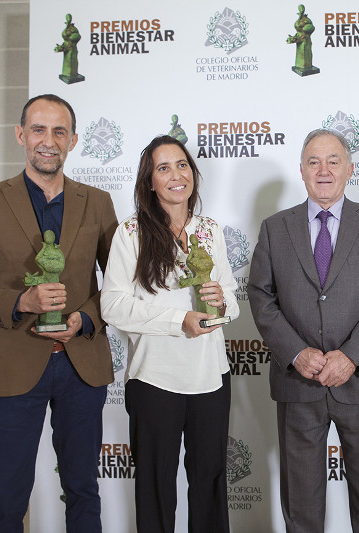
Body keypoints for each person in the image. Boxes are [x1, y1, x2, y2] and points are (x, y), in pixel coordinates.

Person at [0, 94, 118, 533]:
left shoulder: (97, 202)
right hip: (12, 366)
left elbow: (119, 285)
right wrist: (19, 302)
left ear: (73, 140)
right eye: (38, 130)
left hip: (82, 365)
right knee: (4, 496)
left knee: (83, 489)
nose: (48, 141)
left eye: (59, 131)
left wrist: (86, 319)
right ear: (21, 135)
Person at [248, 129, 359, 533]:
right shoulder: (274, 228)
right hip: (298, 383)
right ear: (301, 171)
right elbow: (260, 297)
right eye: (314, 162)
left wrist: (351, 356)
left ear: (350, 169)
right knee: (301, 501)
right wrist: (297, 353)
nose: (324, 170)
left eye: (333, 161)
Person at [100, 135, 239, 533]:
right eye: (163, 168)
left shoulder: (210, 229)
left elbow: (232, 298)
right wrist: (178, 321)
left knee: (211, 482)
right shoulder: (130, 233)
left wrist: (222, 302)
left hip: (211, 378)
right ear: (149, 181)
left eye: (181, 165)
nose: (176, 175)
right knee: (156, 487)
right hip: (154, 379)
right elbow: (112, 305)